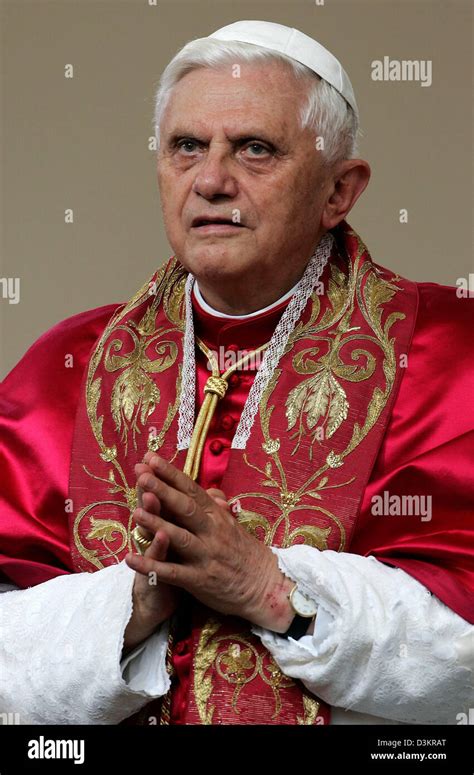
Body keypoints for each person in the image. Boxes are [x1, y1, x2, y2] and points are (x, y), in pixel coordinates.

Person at [0, 20, 472, 726]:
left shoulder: (446, 351)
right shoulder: (62, 367)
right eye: (187, 146)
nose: (212, 180)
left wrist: (267, 584)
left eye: (255, 149)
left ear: (338, 192)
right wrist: (132, 604)